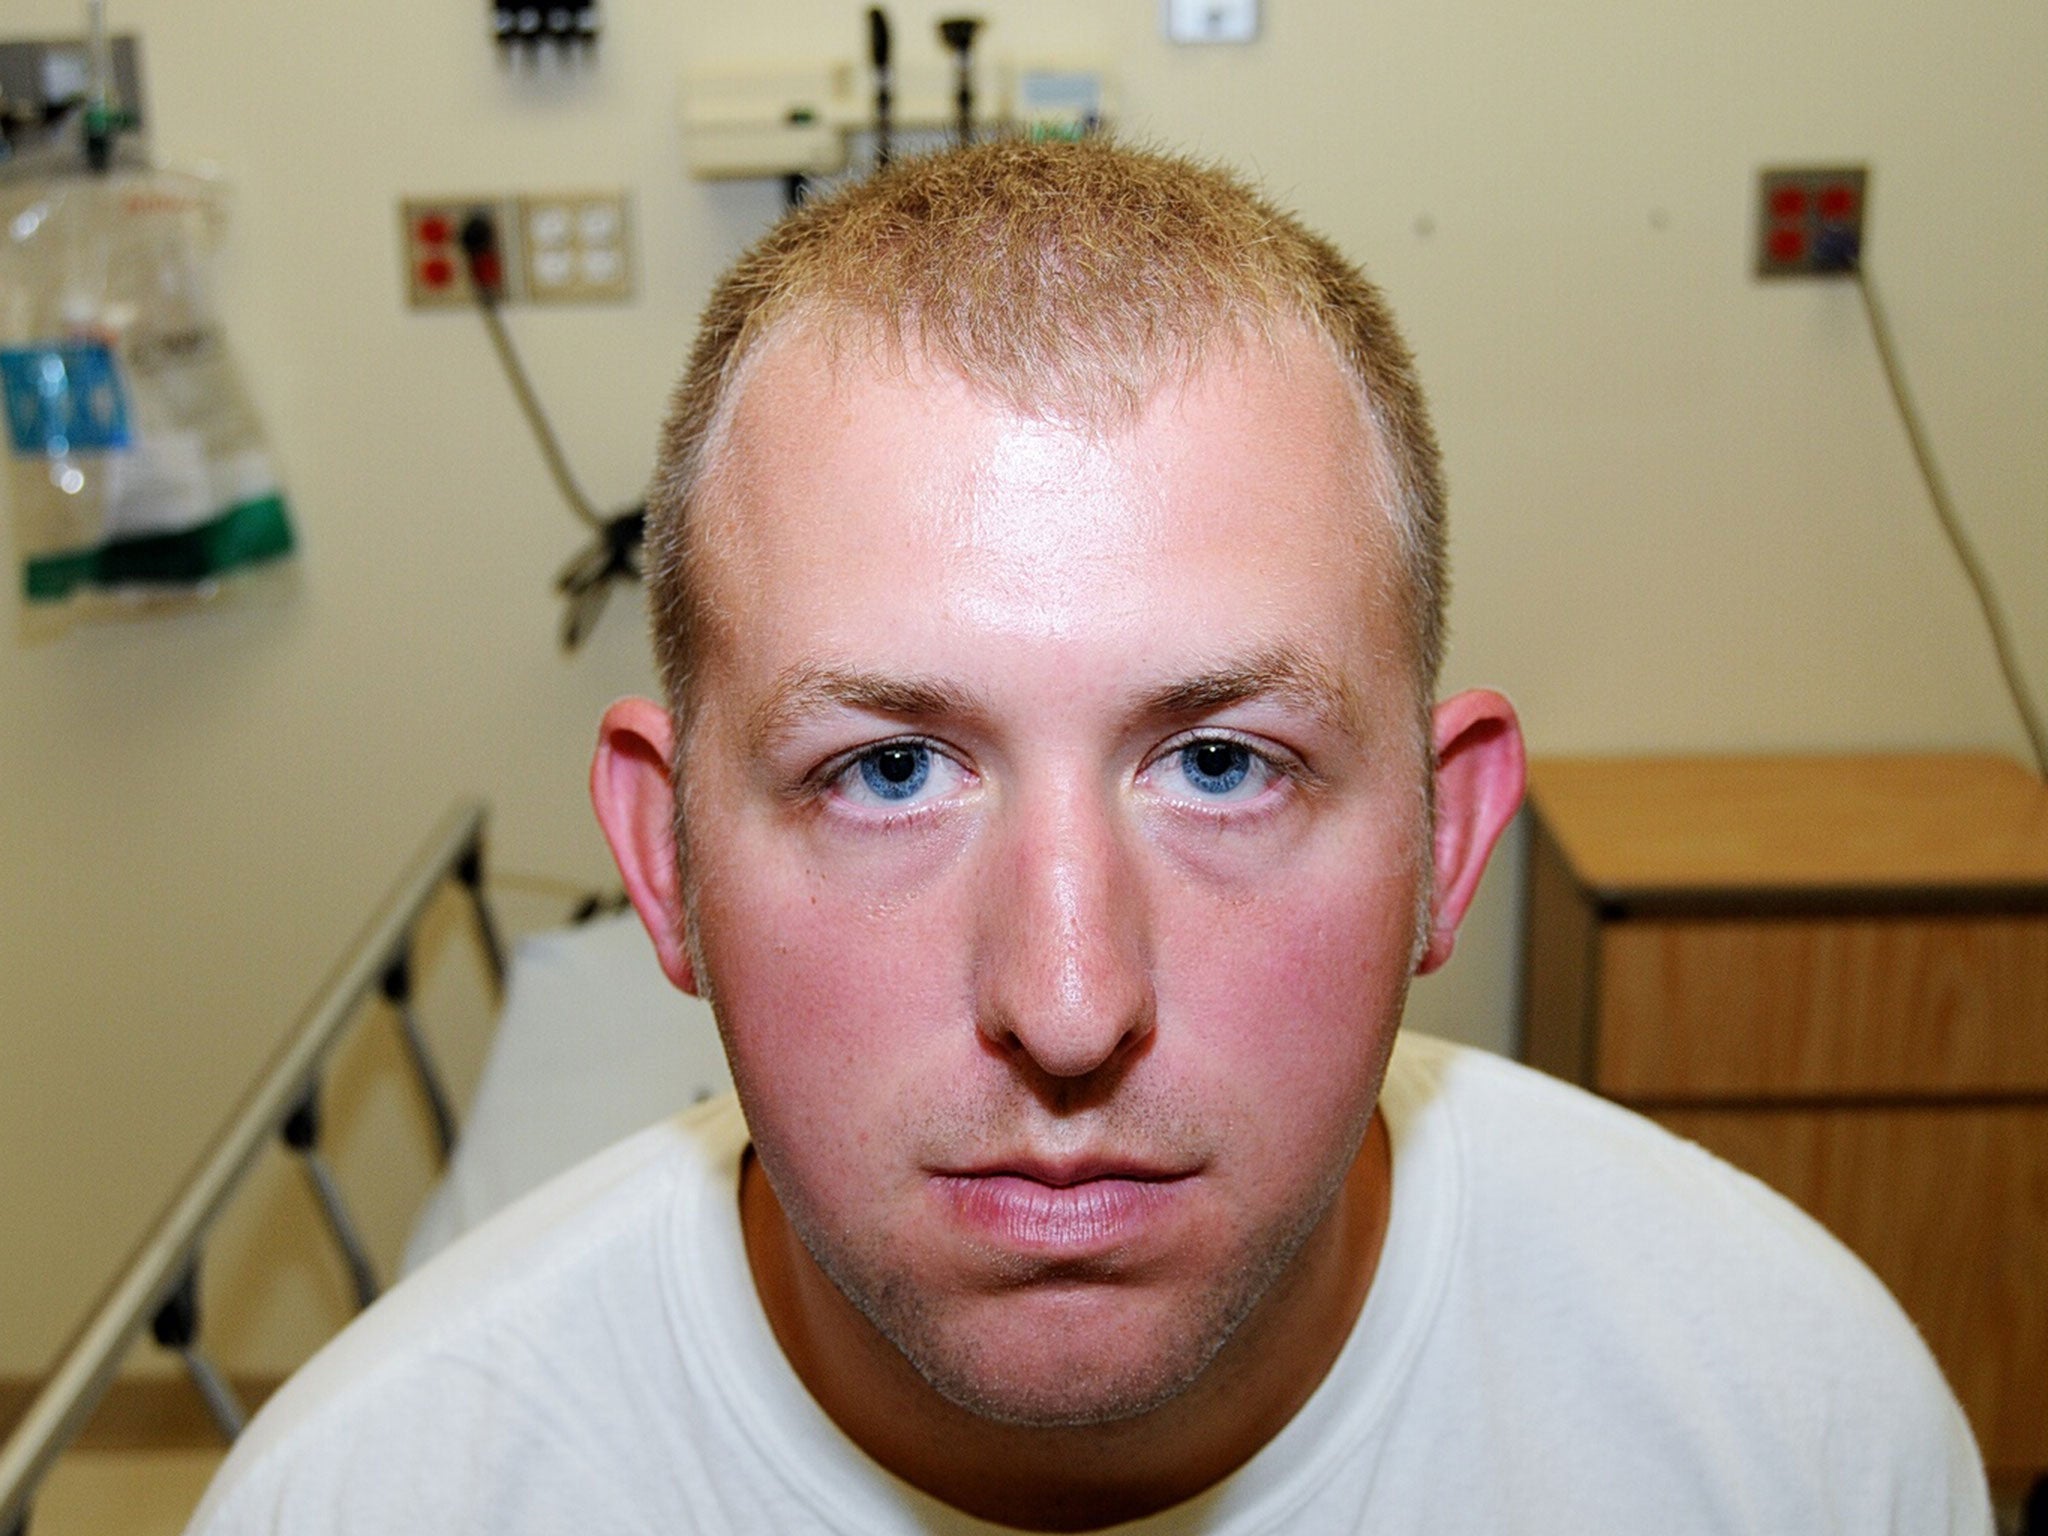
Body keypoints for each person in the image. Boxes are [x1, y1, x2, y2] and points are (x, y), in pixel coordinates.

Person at [188, 139, 1990, 1534]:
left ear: (1449, 842)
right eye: (889, 771)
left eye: (1222, 762)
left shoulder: (1799, 1435)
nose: (1067, 1004)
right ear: (663, 865)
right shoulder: (369, 1497)